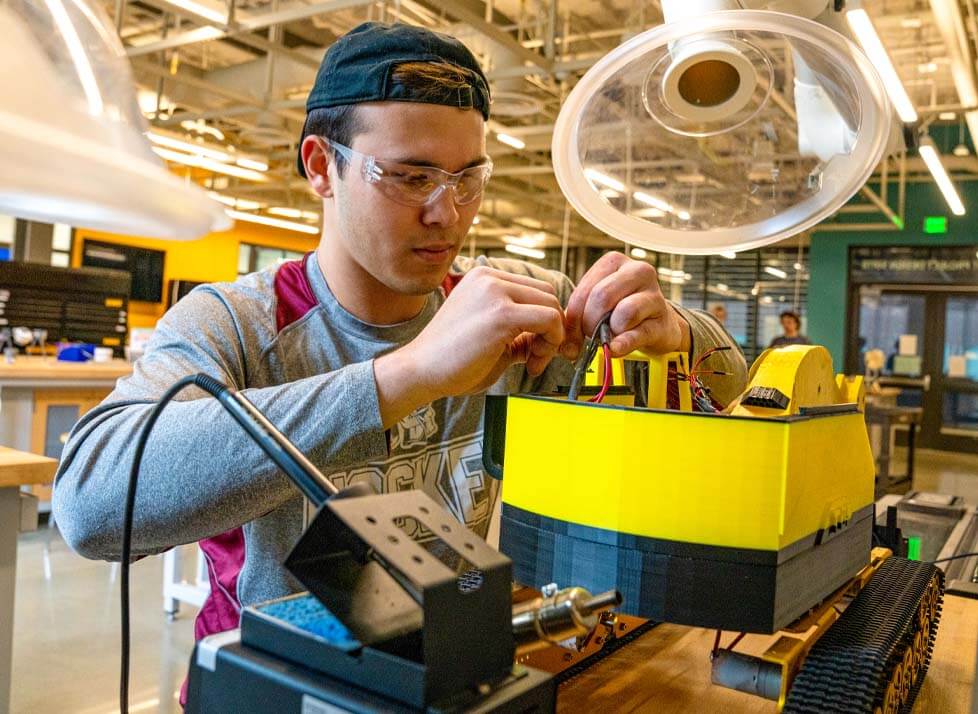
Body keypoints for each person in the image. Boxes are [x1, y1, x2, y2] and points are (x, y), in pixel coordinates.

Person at [53, 21, 746, 667]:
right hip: (275, 685)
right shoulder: (235, 325)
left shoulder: (511, 304)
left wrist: (672, 336)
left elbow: (732, 381)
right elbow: (89, 507)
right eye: (410, 176)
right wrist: (404, 376)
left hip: (449, 670)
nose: (447, 214)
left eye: (467, 179)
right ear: (321, 167)